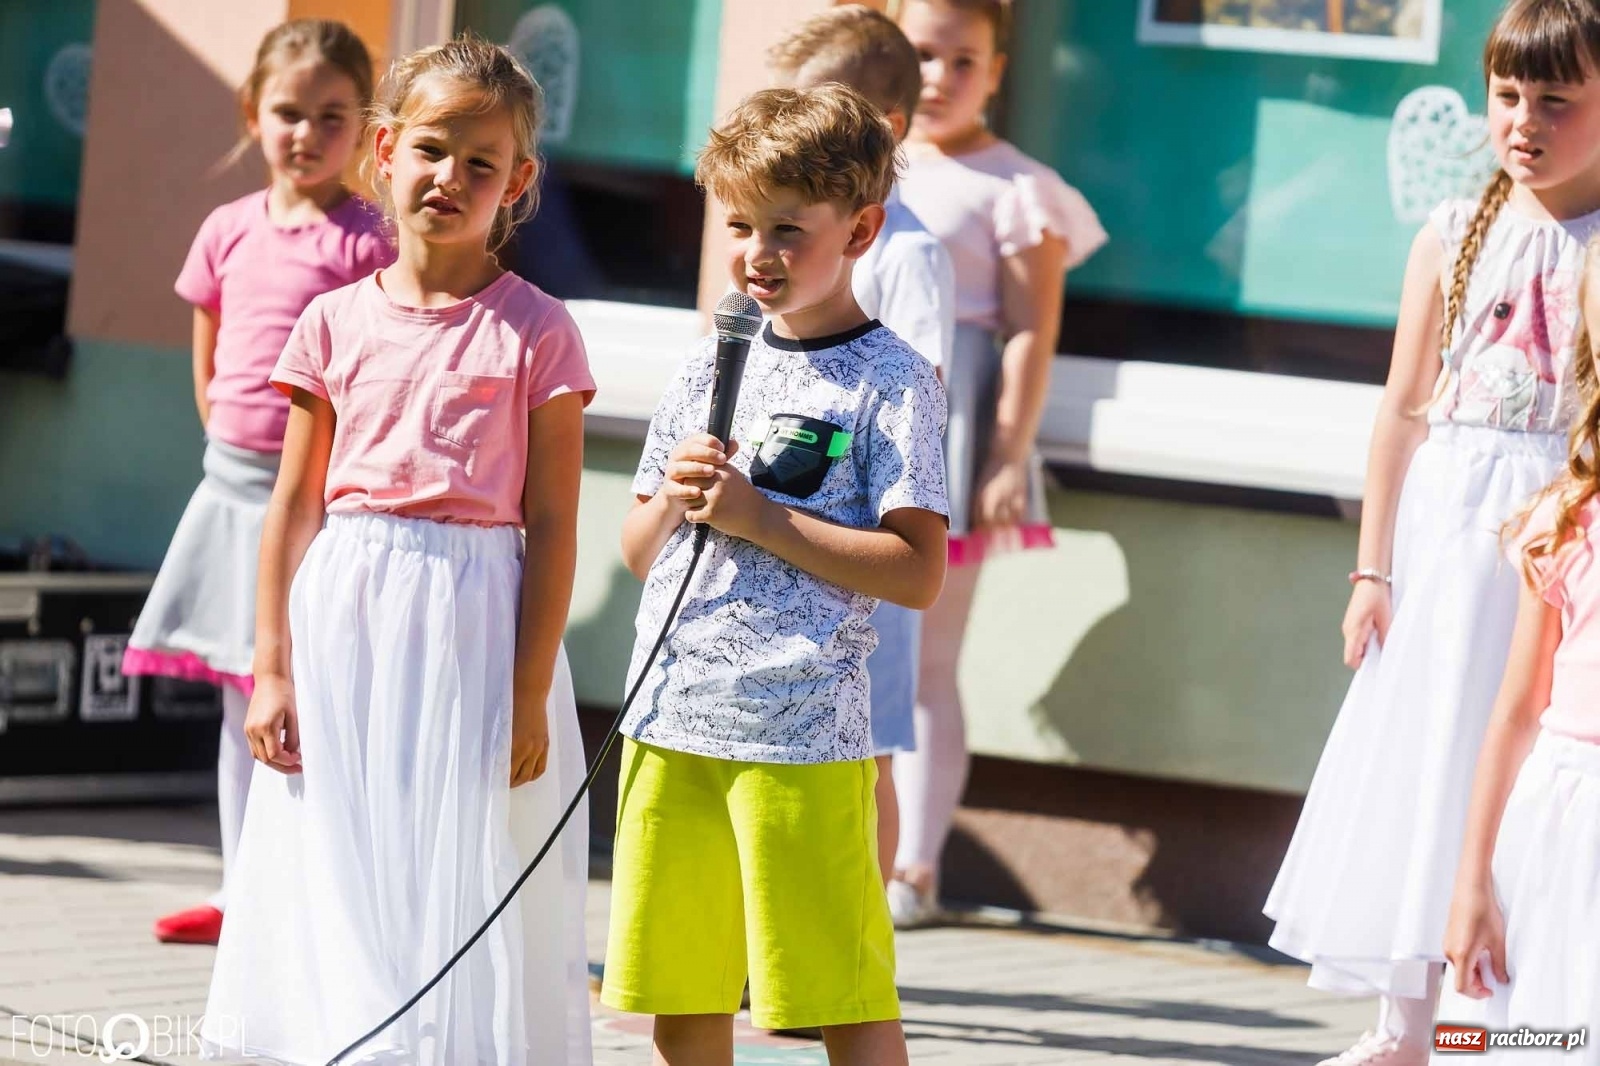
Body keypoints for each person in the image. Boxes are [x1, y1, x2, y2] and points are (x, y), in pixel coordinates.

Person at [199, 35, 595, 1066]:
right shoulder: (331, 323)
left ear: (519, 181)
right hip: (346, 607)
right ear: (383, 151)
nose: (450, 179)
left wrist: (526, 684)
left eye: (481, 162)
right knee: (342, 836)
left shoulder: (537, 332)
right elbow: (293, 504)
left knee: (454, 846)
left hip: (473, 617)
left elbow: (552, 521)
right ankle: (344, 1039)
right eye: (430, 150)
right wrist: (272, 665)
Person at [1263, 3, 1600, 1062]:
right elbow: (1403, 408)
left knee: (1505, 768)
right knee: (1420, 762)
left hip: (1541, 538)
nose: (1524, 121)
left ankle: (1500, 1027)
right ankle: (1404, 1024)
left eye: (1557, 100)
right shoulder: (1455, 232)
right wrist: (1373, 566)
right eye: (1507, 95)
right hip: (1442, 537)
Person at [599, 84, 948, 1066]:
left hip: (801, 733)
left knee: (834, 988)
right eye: (741, 224)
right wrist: (676, 495)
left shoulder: (894, 381)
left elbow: (918, 572)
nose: (757, 253)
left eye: (789, 229)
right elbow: (636, 552)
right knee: (679, 994)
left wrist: (760, 515)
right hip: (670, 721)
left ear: (862, 230)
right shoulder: (707, 360)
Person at [121, 18, 390, 947]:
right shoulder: (227, 229)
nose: (307, 133)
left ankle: (314, 896)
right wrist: (226, 448)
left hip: (312, 501)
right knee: (245, 697)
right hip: (230, 493)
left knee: (304, 689)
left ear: (366, 129)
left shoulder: (368, 242)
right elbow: (211, 361)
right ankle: (242, 893)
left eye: (332, 116)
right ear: (253, 113)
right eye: (288, 112)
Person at [889, 0, 1107, 927]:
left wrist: (1007, 455)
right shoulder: (866, 165)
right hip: (861, 426)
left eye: (963, 60)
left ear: (999, 69)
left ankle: (915, 867)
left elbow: (1030, 331)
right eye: (922, 55)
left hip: (951, 427)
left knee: (927, 664)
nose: (939, 77)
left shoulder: (1016, 187)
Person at [767, 3, 956, 884]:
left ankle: (859, 937)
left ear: (886, 132)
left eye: (819, 114)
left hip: (866, 541)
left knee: (864, 748)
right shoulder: (792, 240)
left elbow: (919, 391)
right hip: (792, 536)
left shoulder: (906, 253)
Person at [1436, 246, 1600, 1063]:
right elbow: (1512, 715)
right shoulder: (1562, 520)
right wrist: (1471, 885)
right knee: (1533, 1035)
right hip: (1560, 817)